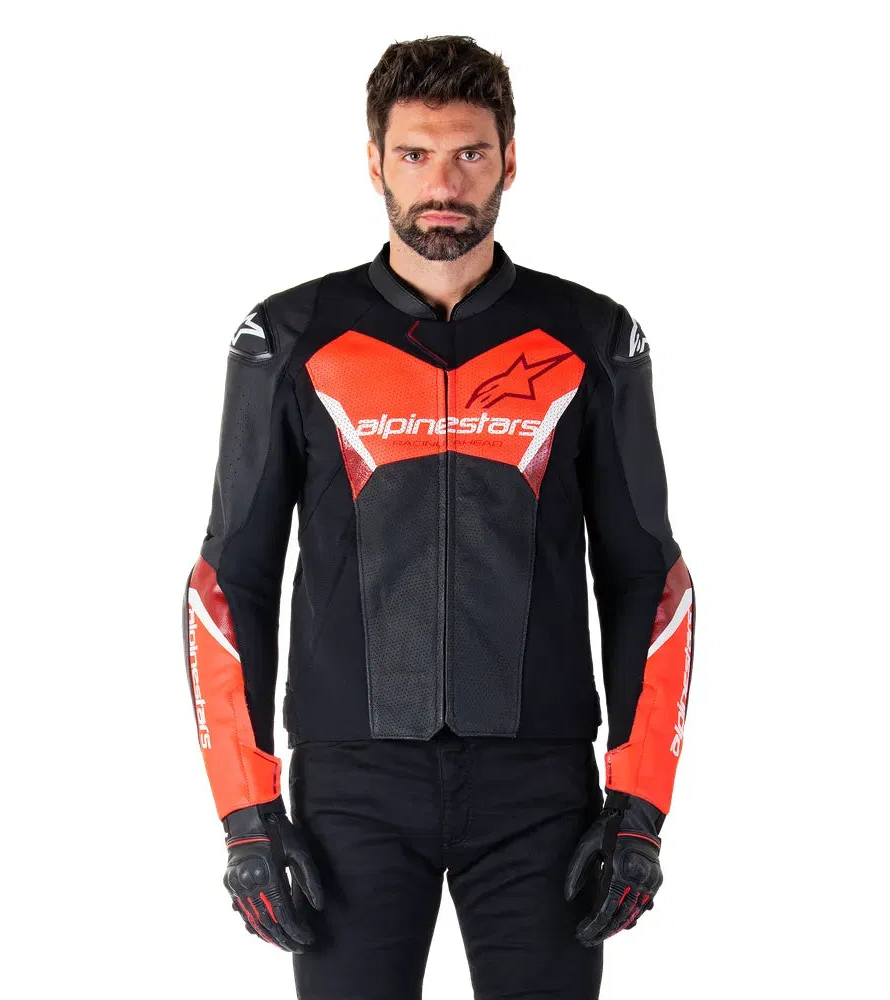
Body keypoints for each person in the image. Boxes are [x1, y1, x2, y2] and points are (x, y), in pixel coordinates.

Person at [181, 33, 696, 1000]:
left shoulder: (592, 337)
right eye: (415, 154)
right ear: (374, 161)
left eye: (470, 153)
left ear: (511, 160)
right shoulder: (289, 337)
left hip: (540, 790)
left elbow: (647, 579)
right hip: (351, 791)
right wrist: (246, 815)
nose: (443, 185)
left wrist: (640, 804)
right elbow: (229, 579)